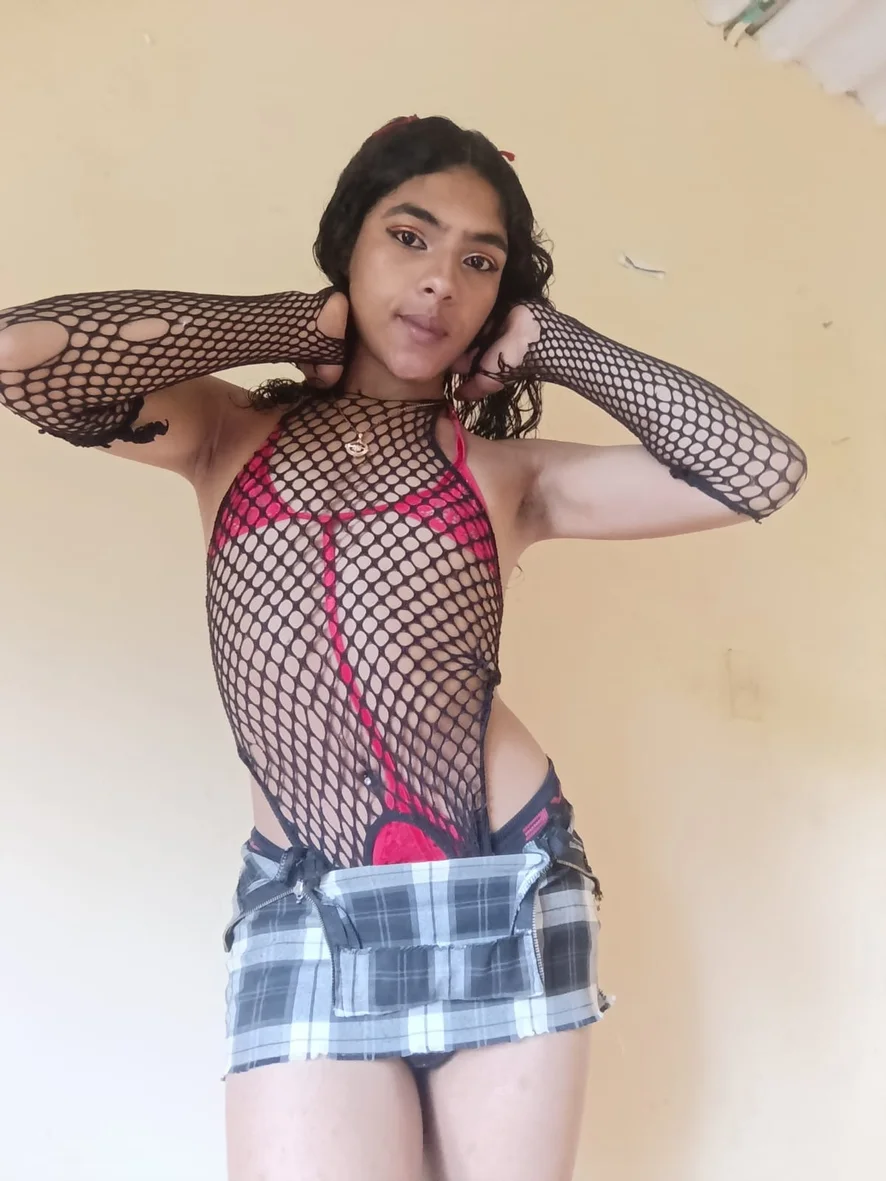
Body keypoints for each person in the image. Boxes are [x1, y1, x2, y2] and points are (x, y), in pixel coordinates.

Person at [0, 114, 807, 1181]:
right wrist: (294, 320)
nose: (439, 281)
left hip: (502, 875)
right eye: (410, 236)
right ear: (351, 242)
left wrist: (557, 344)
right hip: (306, 898)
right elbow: (22, 356)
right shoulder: (221, 431)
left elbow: (760, 470)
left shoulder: (509, 474)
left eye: (479, 260)